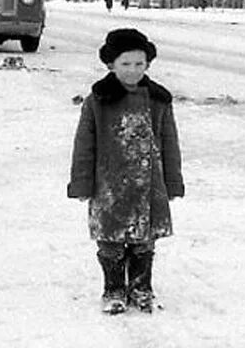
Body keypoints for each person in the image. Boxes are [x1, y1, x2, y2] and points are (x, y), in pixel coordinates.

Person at [67, 28, 184, 315]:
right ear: (111, 65)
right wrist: (82, 184)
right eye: (125, 64)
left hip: (149, 184)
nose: (133, 71)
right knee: (111, 243)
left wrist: (172, 181)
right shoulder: (97, 101)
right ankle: (114, 289)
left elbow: (169, 141)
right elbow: (84, 145)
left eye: (139, 64)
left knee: (144, 242)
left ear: (147, 65)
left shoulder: (159, 100)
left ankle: (141, 288)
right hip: (109, 186)